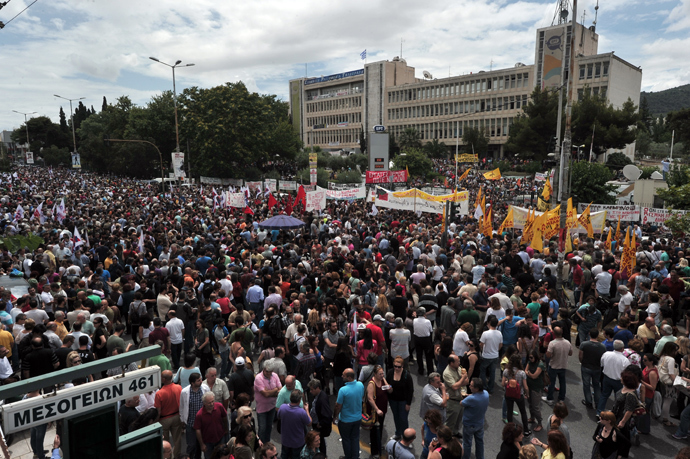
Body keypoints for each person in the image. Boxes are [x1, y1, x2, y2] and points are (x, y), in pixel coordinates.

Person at [333, 368, 364, 459]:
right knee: (355, 438)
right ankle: (355, 456)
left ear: (349, 377)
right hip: (357, 418)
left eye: (344, 375)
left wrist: (334, 417)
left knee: (346, 440)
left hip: (345, 420)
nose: (342, 376)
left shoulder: (343, 390)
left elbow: (338, 406)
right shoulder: (360, 385)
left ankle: (348, 456)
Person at [180, 372, 210, 459]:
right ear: (192, 383)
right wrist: (182, 419)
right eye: (198, 380)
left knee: (200, 444)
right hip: (191, 423)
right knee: (191, 445)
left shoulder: (205, 388)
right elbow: (182, 406)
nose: (201, 381)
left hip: (202, 423)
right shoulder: (184, 392)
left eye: (201, 379)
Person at [610, 369, 639, 458]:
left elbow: (629, 410)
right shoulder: (624, 388)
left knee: (620, 439)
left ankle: (618, 455)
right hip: (615, 415)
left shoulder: (630, 394)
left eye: (622, 377)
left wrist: (622, 422)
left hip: (621, 419)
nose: (620, 378)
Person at [365, 365, 392, 457]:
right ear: (375, 374)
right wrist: (377, 409)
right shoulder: (371, 384)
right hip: (375, 412)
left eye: (383, 373)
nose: (382, 375)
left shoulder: (382, 381)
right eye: (380, 374)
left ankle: (378, 445)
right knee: (374, 431)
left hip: (382, 411)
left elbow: (390, 390)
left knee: (380, 429)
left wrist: (384, 380)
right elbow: (370, 398)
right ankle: (374, 451)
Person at [597, 340, 630, 415]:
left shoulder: (606, 354)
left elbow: (601, 364)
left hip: (606, 378)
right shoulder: (625, 360)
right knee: (618, 398)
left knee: (604, 395)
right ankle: (615, 414)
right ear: (622, 348)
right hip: (618, 381)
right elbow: (627, 372)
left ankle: (599, 412)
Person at [276, 389, 311, 459]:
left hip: (285, 441)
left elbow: (278, 416)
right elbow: (309, 423)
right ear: (299, 400)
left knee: (284, 456)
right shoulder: (301, 412)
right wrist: (307, 410)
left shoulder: (283, 407)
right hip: (297, 443)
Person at [502, 354, 531, 436]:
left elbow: (502, 383)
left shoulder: (506, 371)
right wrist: (527, 394)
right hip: (519, 394)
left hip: (508, 394)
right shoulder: (522, 373)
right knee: (523, 412)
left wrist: (508, 382)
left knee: (509, 412)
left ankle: (510, 430)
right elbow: (525, 387)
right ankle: (526, 430)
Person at [156, 370, 183, 455]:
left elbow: (159, 411)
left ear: (164, 379)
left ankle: (167, 456)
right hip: (177, 416)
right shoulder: (178, 387)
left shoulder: (159, 393)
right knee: (177, 439)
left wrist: (155, 422)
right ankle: (177, 455)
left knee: (165, 441)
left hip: (164, 419)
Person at [461, 378, 489, 459]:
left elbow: (461, 403)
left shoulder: (471, 399)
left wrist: (465, 396)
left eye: (471, 385)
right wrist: (469, 395)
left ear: (476, 388)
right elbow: (475, 396)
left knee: (467, 443)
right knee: (480, 442)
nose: (469, 386)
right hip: (480, 423)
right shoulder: (486, 394)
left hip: (469, 424)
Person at [195, 392, 229, 459]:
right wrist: (202, 444)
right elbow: (197, 430)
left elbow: (225, 417)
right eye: (209, 403)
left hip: (220, 438)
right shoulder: (199, 414)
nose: (211, 404)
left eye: (212, 401)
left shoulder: (219, 406)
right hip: (207, 442)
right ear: (204, 403)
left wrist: (226, 430)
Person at [543, 327, 572, 405]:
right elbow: (570, 353)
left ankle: (550, 398)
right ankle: (561, 399)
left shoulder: (552, 343)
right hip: (563, 365)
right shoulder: (567, 342)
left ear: (554, 333)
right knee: (562, 382)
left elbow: (548, 355)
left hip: (553, 365)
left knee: (551, 382)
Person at [387, 355, 414, 439]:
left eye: (399, 367)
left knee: (403, 419)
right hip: (393, 400)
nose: (397, 368)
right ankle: (398, 433)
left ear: (402, 366)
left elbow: (410, 390)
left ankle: (406, 437)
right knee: (396, 417)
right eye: (395, 366)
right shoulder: (390, 372)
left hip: (403, 401)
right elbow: (387, 384)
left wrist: (408, 404)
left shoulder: (406, 375)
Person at [254, 365, 282, 444]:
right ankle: (260, 446)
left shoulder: (275, 375)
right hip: (262, 408)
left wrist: (270, 392)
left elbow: (280, 389)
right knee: (262, 428)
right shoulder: (258, 378)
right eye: (267, 372)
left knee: (269, 427)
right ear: (264, 370)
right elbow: (265, 394)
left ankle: (267, 444)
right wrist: (275, 390)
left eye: (270, 372)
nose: (269, 373)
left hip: (272, 406)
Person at [579, 328, 606, 410]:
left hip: (586, 366)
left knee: (586, 385)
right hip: (597, 368)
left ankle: (588, 401)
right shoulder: (602, 346)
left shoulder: (584, 344)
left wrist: (583, 362)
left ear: (589, 334)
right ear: (598, 335)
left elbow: (580, 356)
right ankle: (597, 403)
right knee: (596, 385)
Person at [443, 354, 468, 438]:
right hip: (453, 400)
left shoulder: (459, 368)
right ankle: (446, 437)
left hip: (461, 398)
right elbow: (454, 387)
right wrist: (462, 379)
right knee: (450, 421)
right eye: (457, 362)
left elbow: (466, 381)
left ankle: (455, 432)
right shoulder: (447, 373)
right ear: (451, 363)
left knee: (458, 420)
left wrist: (460, 382)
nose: (459, 363)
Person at [307, 379, 332, 456]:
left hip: (319, 426)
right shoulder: (318, 396)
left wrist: (320, 424)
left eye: (312, 389)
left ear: (317, 388)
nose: (310, 391)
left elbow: (327, 416)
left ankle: (322, 455)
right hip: (317, 423)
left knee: (319, 442)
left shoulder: (322, 399)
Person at [479, 315, 502, 395]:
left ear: (489, 323)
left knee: (482, 370)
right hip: (495, 355)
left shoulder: (485, 333)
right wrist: (496, 350)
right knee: (492, 372)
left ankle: (484, 387)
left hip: (486, 355)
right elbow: (500, 344)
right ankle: (491, 388)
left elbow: (481, 344)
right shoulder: (499, 333)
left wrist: (482, 351)